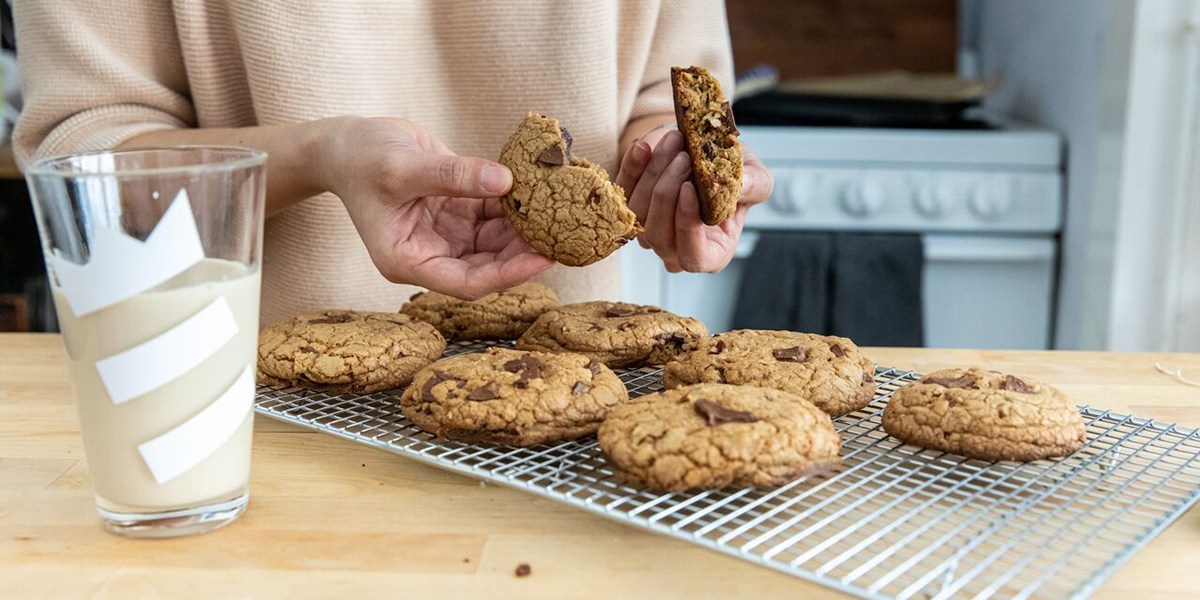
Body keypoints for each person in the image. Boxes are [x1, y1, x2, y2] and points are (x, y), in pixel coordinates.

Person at [14, 1, 772, 326]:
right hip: (229, 420)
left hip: (561, 419)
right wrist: (318, 157)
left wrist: (677, 177)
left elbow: (663, 93)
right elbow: (82, 179)